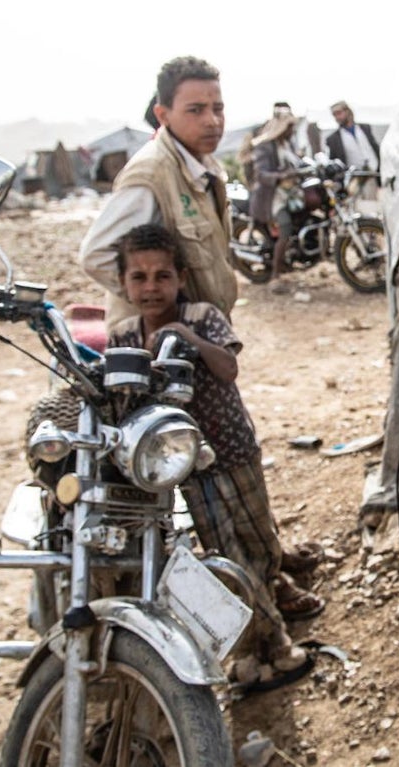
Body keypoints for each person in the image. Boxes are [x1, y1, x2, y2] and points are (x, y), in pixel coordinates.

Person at [108, 223, 324, 684]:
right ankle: (269, 644)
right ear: (123, 282)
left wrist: (186, 336)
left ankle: (266, 610)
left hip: (233, 450)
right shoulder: (123, 337)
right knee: (227, 555)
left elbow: (227, 369)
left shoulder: (202, 316)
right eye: (139, 277)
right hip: (188, 468)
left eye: (161, 276)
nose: (150, 287)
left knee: (262, 544)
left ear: (180, 278)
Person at [79, 55, 237, 330]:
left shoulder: (204, 167)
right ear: (163, 115)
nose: (212, 121)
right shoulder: (151, 175)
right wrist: (163, 310)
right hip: (156, 349)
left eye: (218, 108)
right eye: (196, 110)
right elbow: (96, 256)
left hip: (197, 338)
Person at [249, 112, 302, 289]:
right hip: (273, 198)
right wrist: (281, 176)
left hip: (291, 194)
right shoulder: (265, 147)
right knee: (285, 228)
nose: (292, 130)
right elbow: (261, 174)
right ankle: (275, 274)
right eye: (289, 127)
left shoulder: (286, 144)